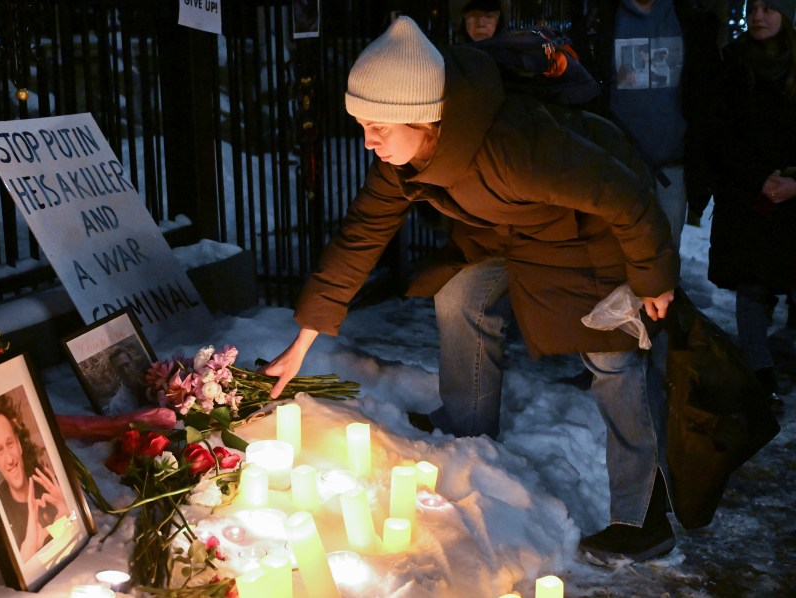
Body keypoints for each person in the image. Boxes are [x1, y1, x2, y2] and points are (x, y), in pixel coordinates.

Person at [260, 16, 679, 563]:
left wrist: (652, 278)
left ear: (423, 115)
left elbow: (625, 196)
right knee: (460, 297)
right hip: (511, 235)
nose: (369, 141)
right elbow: (360, 235)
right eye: (362, 124)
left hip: (588, 236)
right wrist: (304, 339)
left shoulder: (515, 145)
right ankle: (468, 429)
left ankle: (642, 516)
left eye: (379, 125)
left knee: (612, 356)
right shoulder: (404, 161)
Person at [703, 0, 796, 412]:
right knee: (751, 284)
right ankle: (760, 372)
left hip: (794, 193)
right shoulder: (732, 65)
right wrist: (759, 178)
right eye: (753, 6)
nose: (758, 15)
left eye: (769, 7)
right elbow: (719, 131)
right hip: (747, 193)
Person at [574, 0, 721, 251]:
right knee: (612, 255)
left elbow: (704, 95)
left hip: (672, 168)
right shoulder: (601, 20)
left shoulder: (688, 20)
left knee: (664, 260)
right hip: (617, 166)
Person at [0, 395, 68, 562]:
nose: (10, 459)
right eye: (0, 450)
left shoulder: (50, 487)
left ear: (19, 445)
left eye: (10, 444)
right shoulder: (1, 512)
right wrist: (30, 550)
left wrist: (66, 507)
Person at [103, 345, 149, 415]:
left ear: (133, 363)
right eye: (120, 368)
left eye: (127, 365)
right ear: (116, 372)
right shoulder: (116, 405)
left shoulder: (153, 381)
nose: (126, 371)